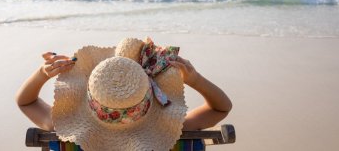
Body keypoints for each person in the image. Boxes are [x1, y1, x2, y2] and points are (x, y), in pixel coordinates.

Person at [16, 40, 232, 133]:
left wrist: (42, 74)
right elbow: (221, 108)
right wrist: (195, 80)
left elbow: (25, 102)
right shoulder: (175, 130)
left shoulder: (61, 128)